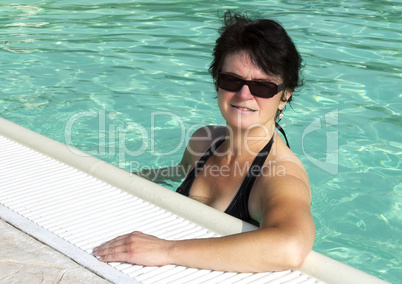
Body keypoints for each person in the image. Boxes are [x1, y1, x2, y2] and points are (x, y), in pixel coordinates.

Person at [93, 11, 315, 273]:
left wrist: (166, 250)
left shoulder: (279, 175)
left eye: (262, 87)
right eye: (232, 80)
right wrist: (113, 180)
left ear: (285, 95)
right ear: (216, 82)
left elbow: (291, 247)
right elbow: (176, 174)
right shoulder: (204, 141)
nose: (244, 95)